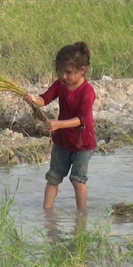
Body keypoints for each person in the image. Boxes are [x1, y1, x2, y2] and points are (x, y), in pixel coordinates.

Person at [23, 42, 96, 210]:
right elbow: (44, 99)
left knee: (77, 180)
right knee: (53, 178)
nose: (63, 76)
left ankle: (81, 217)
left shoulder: (87, 91)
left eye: (69, 72)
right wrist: (34, 100)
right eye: (60, 71)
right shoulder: (60, 85)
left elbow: (82, 119)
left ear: (82, 70)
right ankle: (47, 213)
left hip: (82, 143)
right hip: (63, 141)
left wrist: (58, 124)